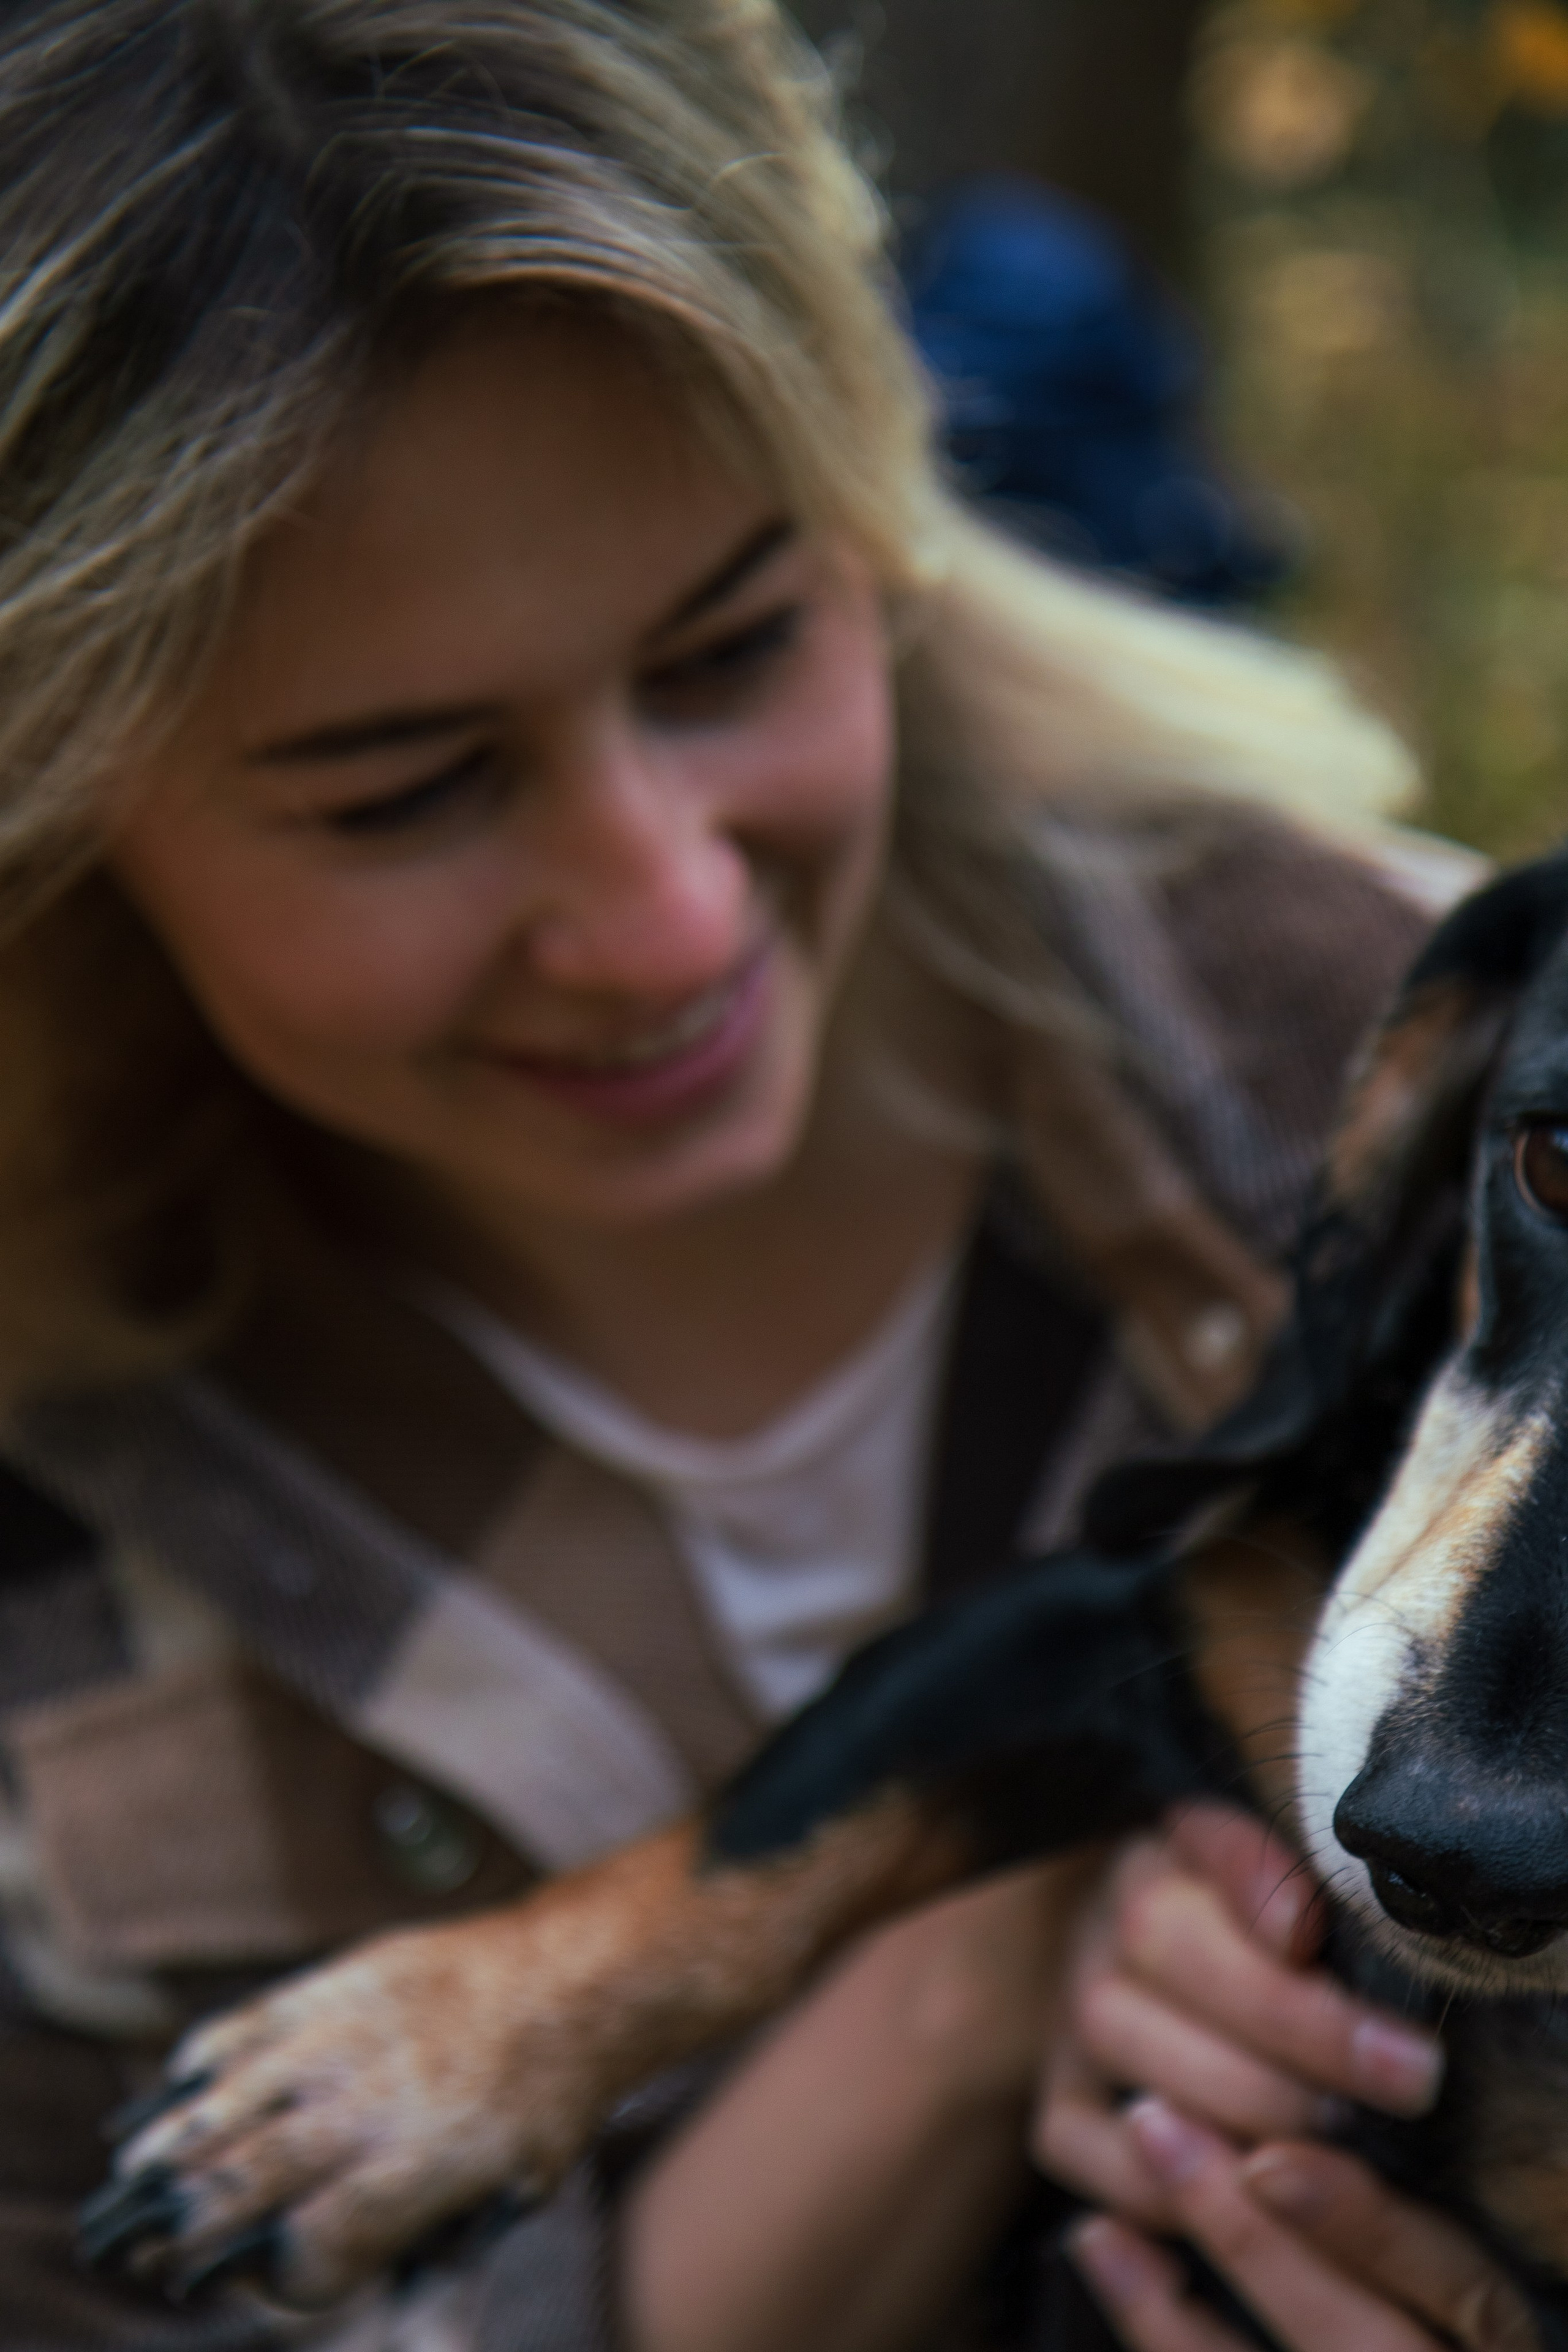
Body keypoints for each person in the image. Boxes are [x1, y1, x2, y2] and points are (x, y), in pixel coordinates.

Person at [0, 2, 1516, 2349]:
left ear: (884, 521)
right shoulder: (56, 1523)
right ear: (59, 806)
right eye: (402, 788)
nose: (671, 920)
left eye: (734, 647)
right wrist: (980, 1966)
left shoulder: (1424, 1060)